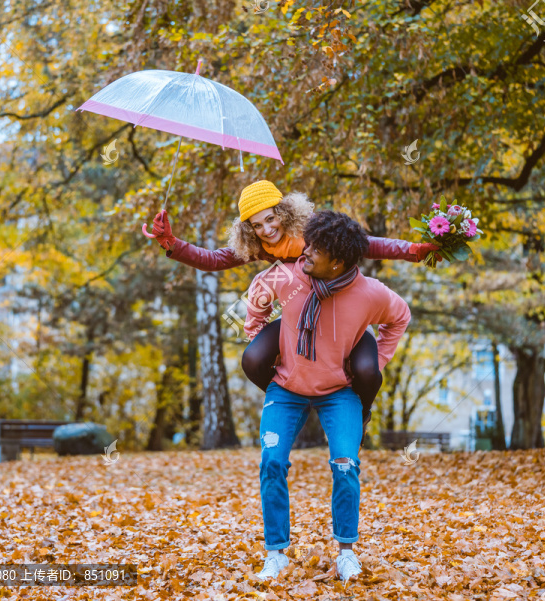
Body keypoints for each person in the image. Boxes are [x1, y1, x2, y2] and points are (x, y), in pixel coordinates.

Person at [141, 180, 437, 430]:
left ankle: (360, 411)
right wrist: (171, 242)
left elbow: (368, 244)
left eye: (271, 219)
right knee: (254, 359)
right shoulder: (260, 245)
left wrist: (413, 250)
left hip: (338, 310)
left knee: (367, 371)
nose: (267, 229)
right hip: (300, 316)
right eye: (257, 225)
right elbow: (213, 260)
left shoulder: (314, 229)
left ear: (283, 212)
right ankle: (294, 399)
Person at [242, 210, 411, 582]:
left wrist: (378, 359)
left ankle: (346, 552)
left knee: (346, 465)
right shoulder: (291, 275)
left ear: (338, 262)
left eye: (316, 249)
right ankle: (276, 554)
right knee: (271, 462)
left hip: (339, 392)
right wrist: (255, 327)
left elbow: (400, 317)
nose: (306, 252)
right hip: (286, 388)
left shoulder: (370, 293)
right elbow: (258, 290)